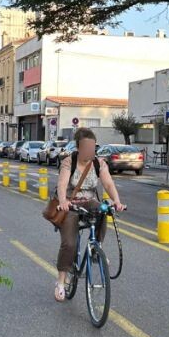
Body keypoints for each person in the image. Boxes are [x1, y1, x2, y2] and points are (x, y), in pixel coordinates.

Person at [54, 127, 125, 302]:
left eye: (93, 147)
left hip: (89, 200)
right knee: (69, 244)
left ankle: (96, 248)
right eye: (87, 147)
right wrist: (63, 201)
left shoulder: (98, 163)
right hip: (70, 203)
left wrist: (116, 201)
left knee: (103, 209)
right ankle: (61, 281)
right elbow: (62, 184)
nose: (91, 151)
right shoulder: (68, 162)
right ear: (79, 147)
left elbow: (108, 183)